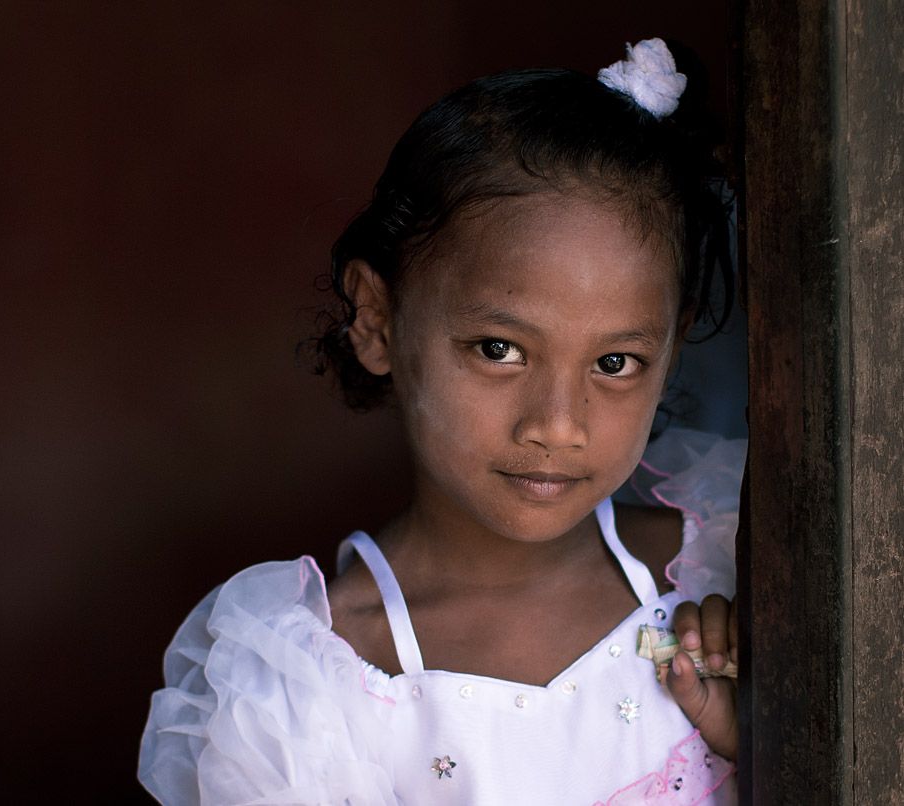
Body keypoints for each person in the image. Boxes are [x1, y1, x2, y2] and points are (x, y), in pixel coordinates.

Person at [139, 38, 744, 805]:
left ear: (672, 348)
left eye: (616, 362)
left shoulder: (724, 578)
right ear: (378, 319)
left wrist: (759, 746)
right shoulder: (306, 695)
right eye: (499, 350)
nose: (558, 425)